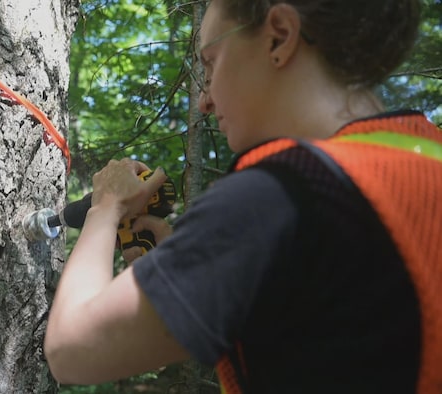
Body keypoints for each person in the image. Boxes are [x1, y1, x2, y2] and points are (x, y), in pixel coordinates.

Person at [44, 0, 442, 392]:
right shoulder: (422, 160)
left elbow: (70, 350)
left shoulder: (279, 195)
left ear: (279, 38)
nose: (204, 100)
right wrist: (191, 264)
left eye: (212, 62)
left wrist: (105, 206)